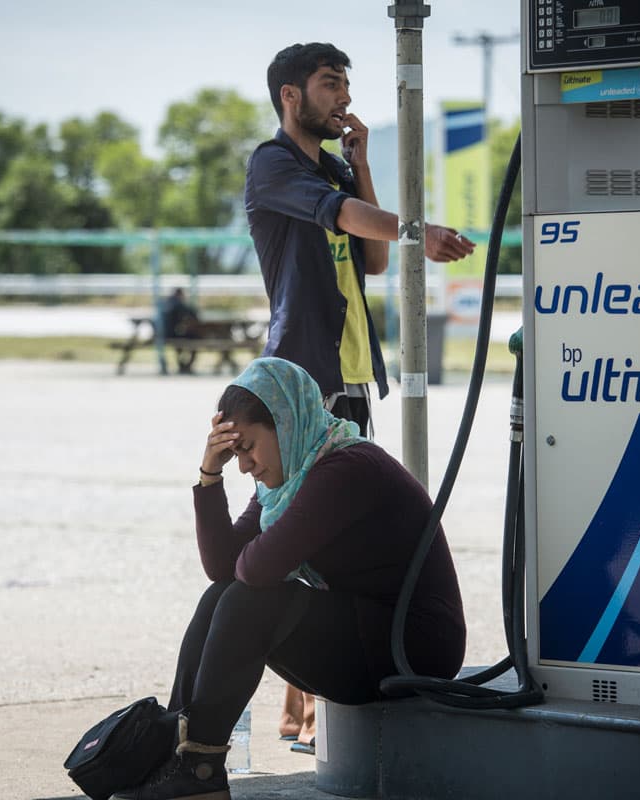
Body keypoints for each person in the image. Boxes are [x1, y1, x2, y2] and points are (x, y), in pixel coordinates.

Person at [121, 357, 466, 800]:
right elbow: (222, 567)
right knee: (222, 595)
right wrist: (209, 475)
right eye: (234, 452)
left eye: (247, 447)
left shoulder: (347, 469)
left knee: (250, 601)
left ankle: (198, 768)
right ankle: (179, 754)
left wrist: (253, 556)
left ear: (284, 424)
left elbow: (257, 569)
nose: (244, 465)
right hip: (368, 633)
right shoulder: (290, 480)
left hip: (415, 647)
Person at [245, 42, 475, 435]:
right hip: (303, 370)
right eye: (331, 84)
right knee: (298, 496)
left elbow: (374, 261)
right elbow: (341, 212)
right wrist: (419, 234)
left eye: (347, 85)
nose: (345, 97)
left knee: (347, 494)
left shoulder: (336, 169)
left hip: (352, 369)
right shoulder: (272, 163)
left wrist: (361, 168)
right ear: (290, 94)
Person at [161, 288, 200, 374]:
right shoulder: (177, 303)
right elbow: (193, 313)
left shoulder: (166, 303)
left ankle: (183, 365)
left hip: (164, 334)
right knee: (195, 340)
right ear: (180, 294)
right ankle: (186, 366)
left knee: (183, 343)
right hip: (172, 335)